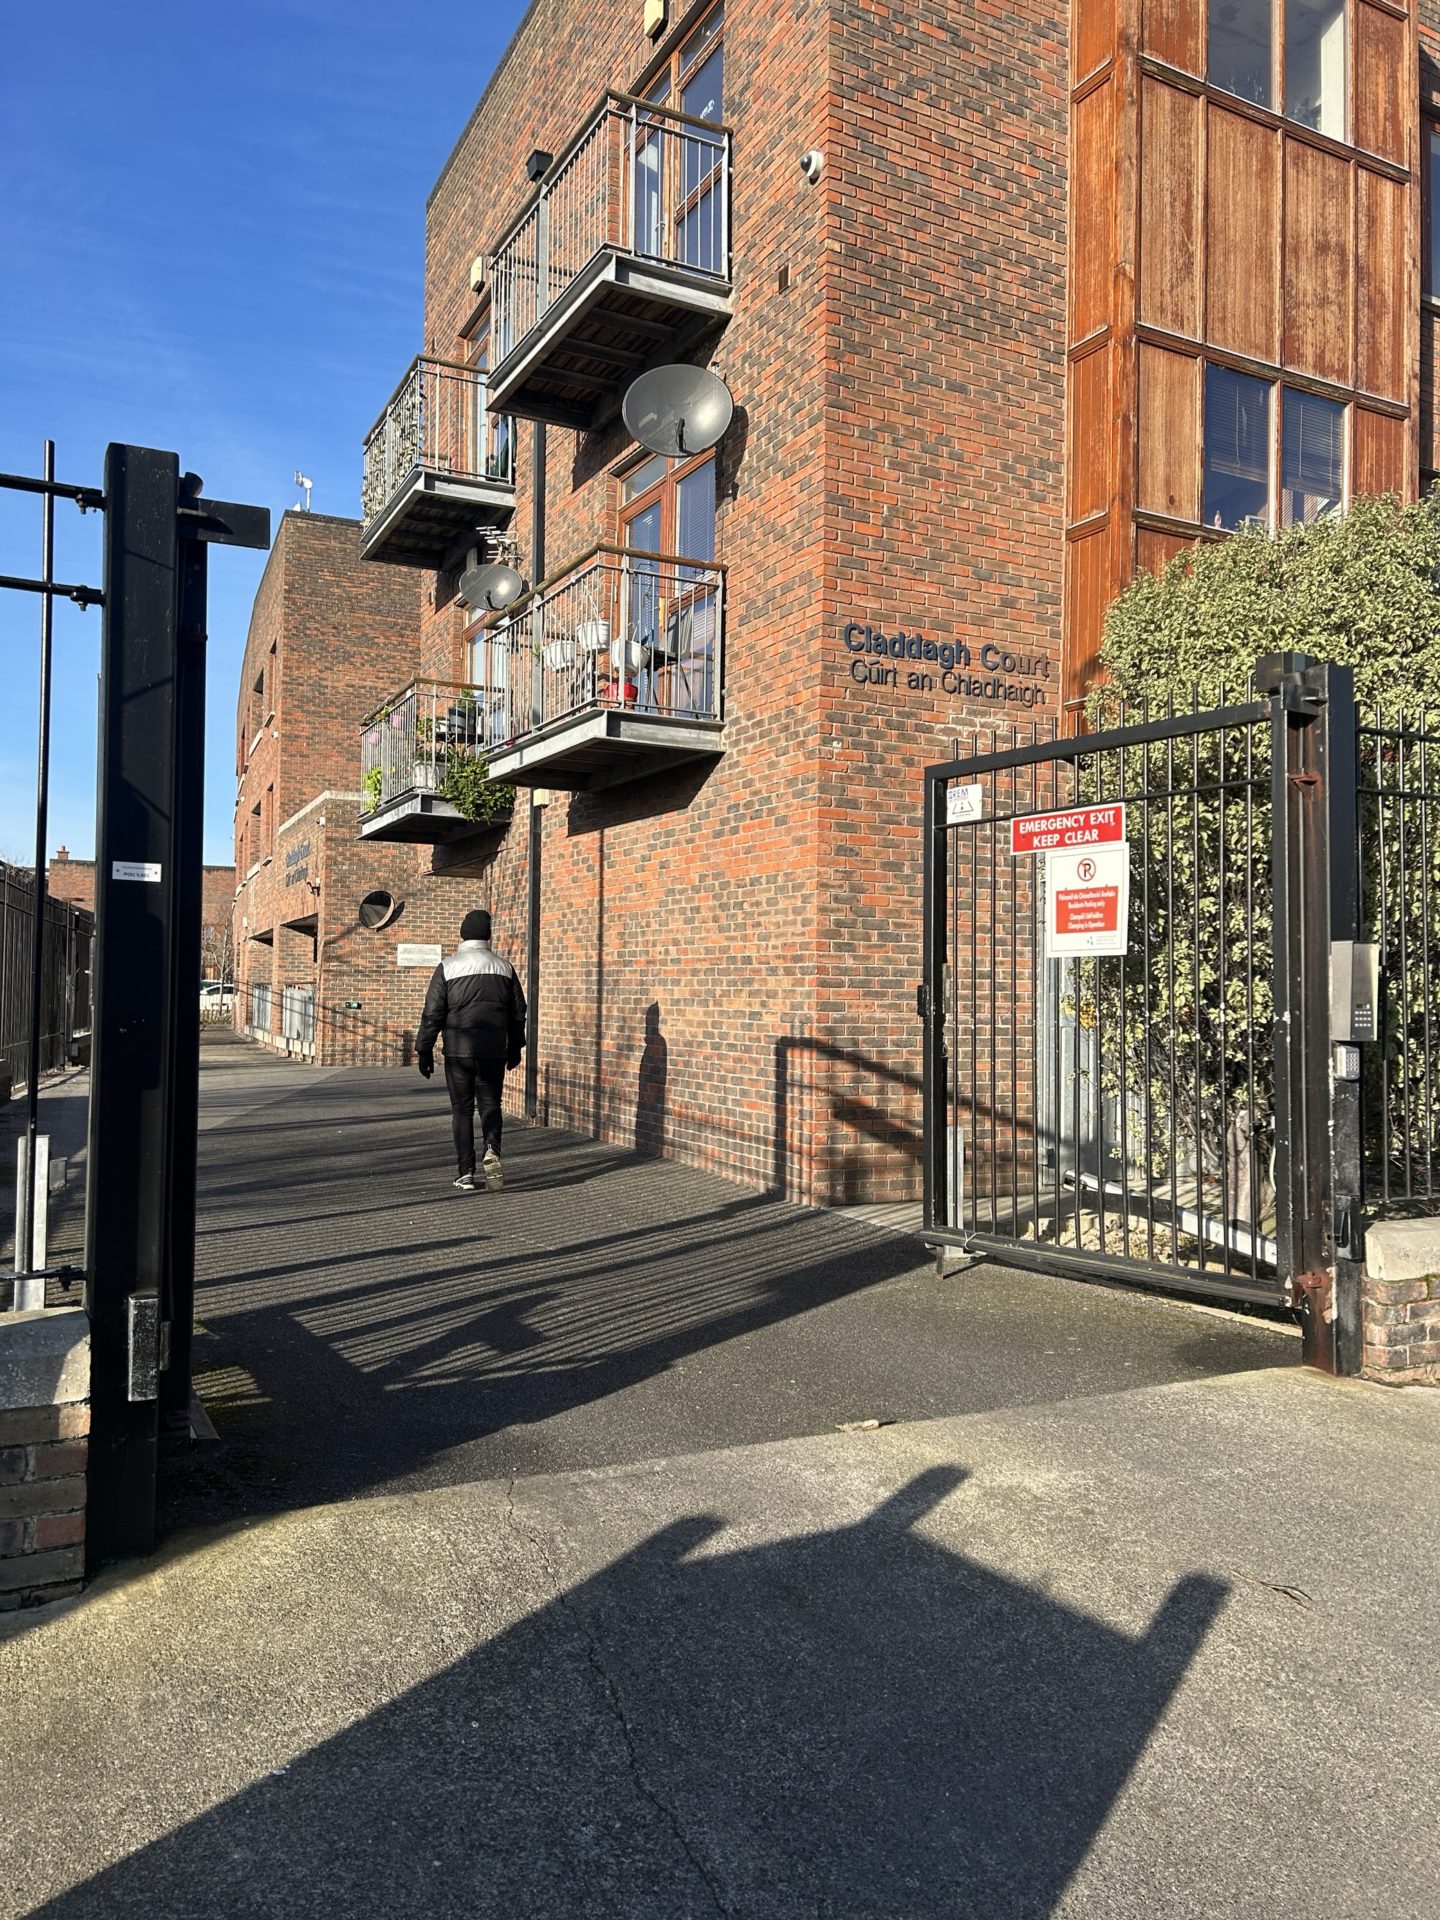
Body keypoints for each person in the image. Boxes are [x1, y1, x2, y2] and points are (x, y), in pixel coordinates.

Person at [416, 909, 527, 1192]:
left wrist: (424, 1050)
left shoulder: (448, 967)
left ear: (463, 935)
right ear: (488, 936)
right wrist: (515, 1047)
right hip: (493, 1051)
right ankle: (492, 1150)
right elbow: (518, 1013)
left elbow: (432, 1014)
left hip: (458, 1051)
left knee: (462, 1111)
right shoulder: (505, 968)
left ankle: (465, 1172)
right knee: (491, 1106)